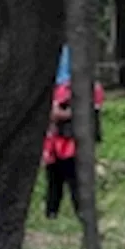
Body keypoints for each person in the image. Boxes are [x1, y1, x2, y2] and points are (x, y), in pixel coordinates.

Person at [43, 78, 105, 219]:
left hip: (75, 142)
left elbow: (91, 111)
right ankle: (52, 211)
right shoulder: (60, 88)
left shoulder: (92, 88)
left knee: (76, 180)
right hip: (56, 142)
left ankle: (82, 211)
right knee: (54, 180)